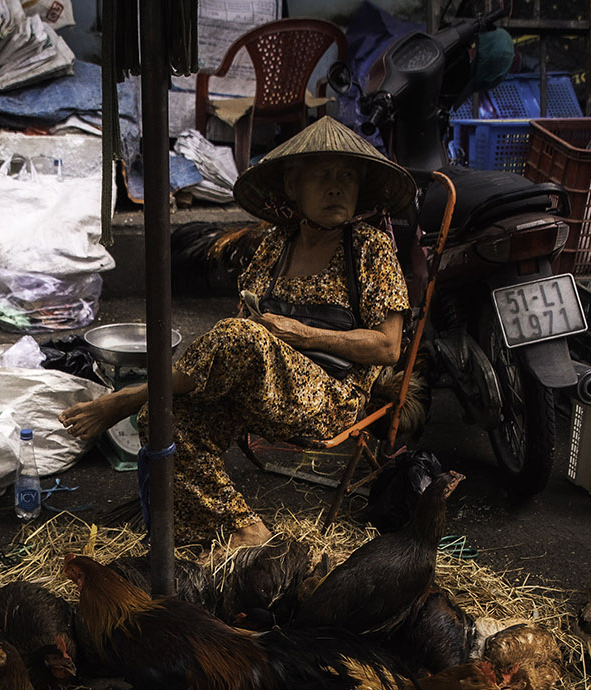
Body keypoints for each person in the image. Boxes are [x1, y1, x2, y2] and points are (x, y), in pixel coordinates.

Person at [63, 117, 413, 554]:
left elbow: (388, 346)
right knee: (162, 419)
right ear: (293, 187)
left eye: (347, 177)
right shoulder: (275, 245)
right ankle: (245, 528)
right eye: (323, 176)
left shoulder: (369, 248)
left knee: (238, 337)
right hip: (259, 388)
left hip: (328, 398)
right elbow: (243, 332)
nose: (336, 188)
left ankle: (129, 396)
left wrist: (305, 335)